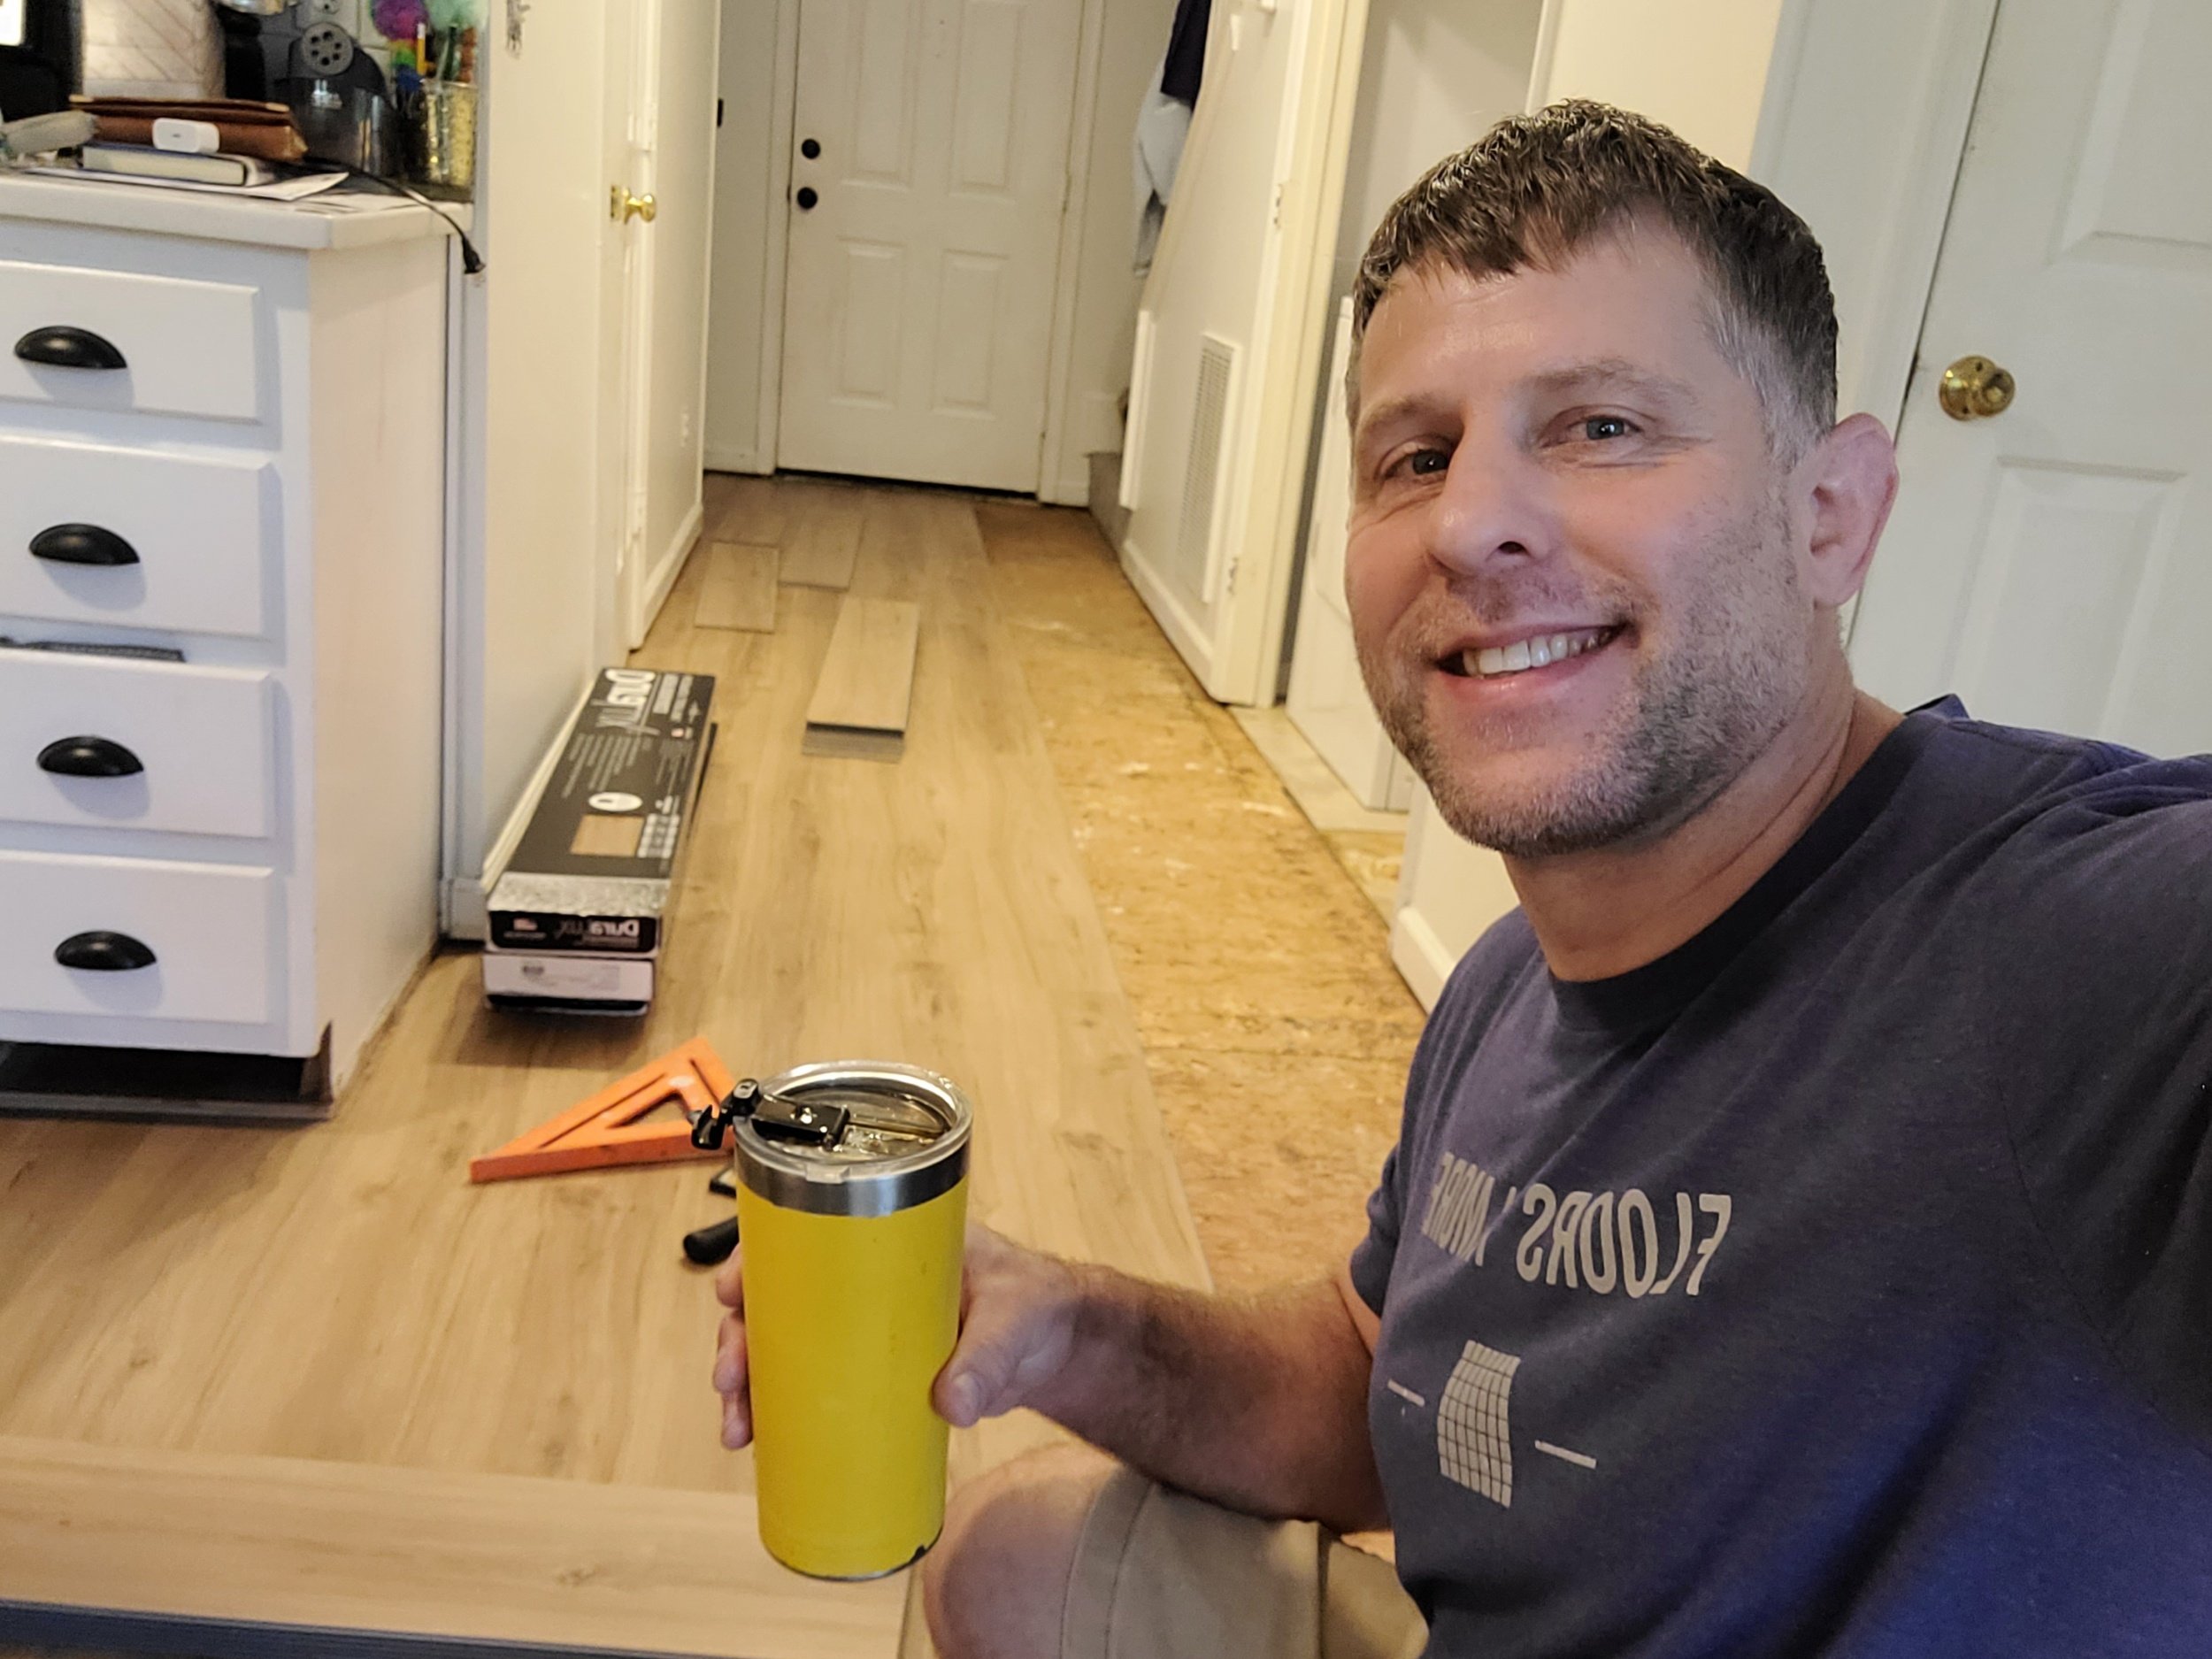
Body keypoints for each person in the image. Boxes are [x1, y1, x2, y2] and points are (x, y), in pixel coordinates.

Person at [713, 100, 2212, 1656]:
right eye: (1414, 456)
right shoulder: (1512, 986)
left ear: (1832, 514)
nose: (1476, 523)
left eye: (1601, 426)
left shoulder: (2081, 951)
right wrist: (1070, 1330)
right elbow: (1377, 1392)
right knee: (1015, 1555)